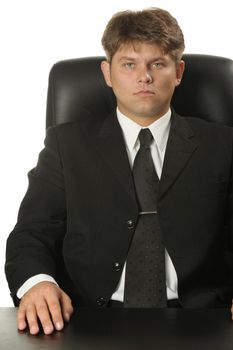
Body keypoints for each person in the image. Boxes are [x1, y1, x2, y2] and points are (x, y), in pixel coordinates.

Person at [5, 7, 233, 336]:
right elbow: (31, 232)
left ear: (179, 71)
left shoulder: (223, 145)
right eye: (129, 64)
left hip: (203, 320)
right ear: (107, 73)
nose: (145, 77)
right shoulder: (67, 145)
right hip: (87, 319)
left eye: (158, 63)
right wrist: (38, 284)